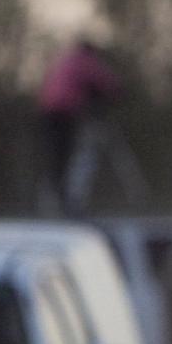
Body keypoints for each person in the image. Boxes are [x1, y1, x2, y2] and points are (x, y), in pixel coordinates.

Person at [38, 39, 121, 214]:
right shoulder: (85, 61)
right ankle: (67, 201)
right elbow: (107, 83)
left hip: (48, 110)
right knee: (67, 155)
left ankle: (53, 200)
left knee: (56, 155)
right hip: (65, 111)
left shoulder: (65, 60)